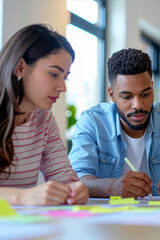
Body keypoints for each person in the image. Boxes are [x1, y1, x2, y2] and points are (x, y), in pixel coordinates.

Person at [69, 48, 160, 199]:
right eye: (127, 97)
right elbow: (76, 179)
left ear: (152, 87)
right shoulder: (93, 122)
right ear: (112, 94)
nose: (138, 105)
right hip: (107, 215)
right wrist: (112, 187)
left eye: (145, 94)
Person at [0, 24, 89, 206]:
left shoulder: (43, 120)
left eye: (65, 77)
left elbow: (64, 177)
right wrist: (21, 197)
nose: (62, 88)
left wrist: (73, 190)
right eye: (54, 74)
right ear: (20, 68)